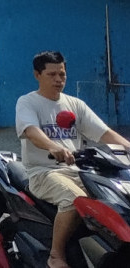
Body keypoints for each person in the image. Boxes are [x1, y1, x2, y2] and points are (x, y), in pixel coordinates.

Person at [15, 51, 130, 268]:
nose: (59, 80)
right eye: (52, 75)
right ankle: (56, 255)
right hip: (44, 172)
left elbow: (104, 133)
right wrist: (53, 146)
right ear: (37, 75)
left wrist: (128, 147)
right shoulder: (28, 102)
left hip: (78, 170)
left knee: (117, 197)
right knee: (73, 199)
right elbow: (30, 131)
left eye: (62, 74)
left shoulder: (74, 104)